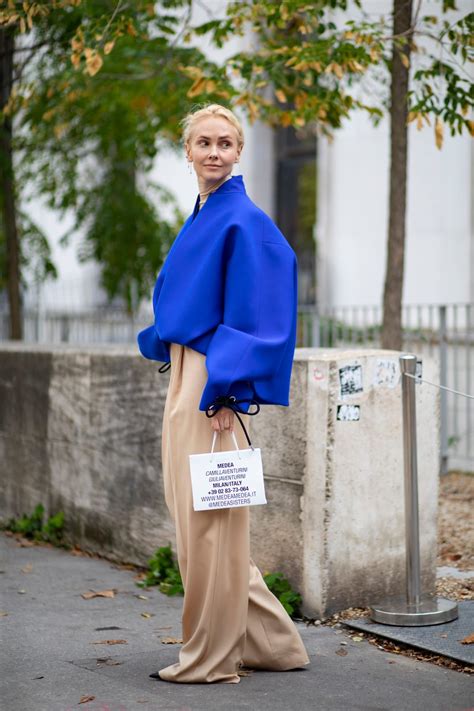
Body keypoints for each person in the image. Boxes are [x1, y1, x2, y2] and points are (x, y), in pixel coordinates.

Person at [137, 103, 310, 684]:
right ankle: (275, 645)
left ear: (239, 152)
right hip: (189, 374)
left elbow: (259, 305)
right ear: (188, 152)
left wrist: (227, 390)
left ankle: (212, 659)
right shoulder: (205, 214)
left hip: (212, 382)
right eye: (204, 142)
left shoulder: (243, 219)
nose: (214, 152)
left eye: (226, 143)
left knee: (208, 523)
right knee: (202, 518)